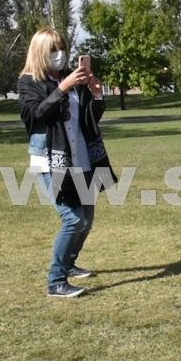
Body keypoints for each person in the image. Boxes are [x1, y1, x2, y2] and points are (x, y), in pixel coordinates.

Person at [18, 28, 115, 298]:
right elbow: (36, 115)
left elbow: (88, 119)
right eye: (53, 50)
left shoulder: (74, 81)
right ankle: (55, 281)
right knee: (73, 219)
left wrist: (96, 95)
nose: (60, 55)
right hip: (51, 161)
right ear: (40, 52)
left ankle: (69, 264)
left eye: (63, 49)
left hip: (81, 158)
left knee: (87, 220)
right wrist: (63, 87)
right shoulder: (29, 82)